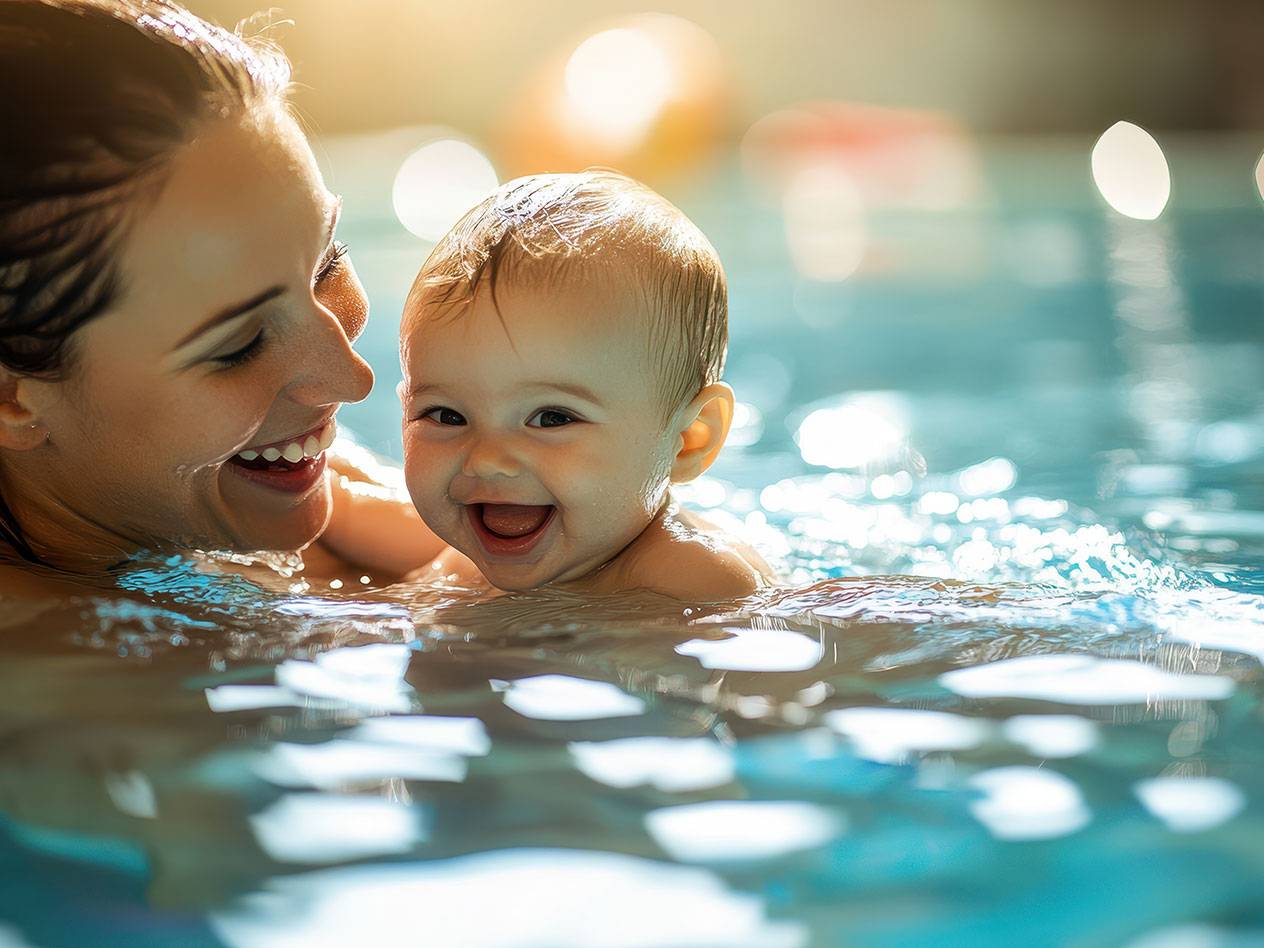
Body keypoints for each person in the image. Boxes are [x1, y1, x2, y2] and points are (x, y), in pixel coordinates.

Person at [0, 0, 444, 591]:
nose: (353, 379)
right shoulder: (69, 664)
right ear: (11, 396)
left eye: (325, 267)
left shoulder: (243, 480)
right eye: (240, 345)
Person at [399, 171, 775, 601]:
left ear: (689, 439)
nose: (486, 460)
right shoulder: (466, 562)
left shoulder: (696, 581)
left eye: (551, 418)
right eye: (447, 415)